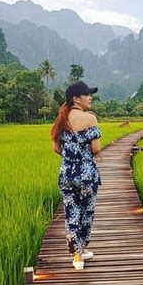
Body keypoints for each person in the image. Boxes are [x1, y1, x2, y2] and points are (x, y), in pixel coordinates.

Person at [50, 81, 102, 270]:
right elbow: (96, 149)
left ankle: (77, 255)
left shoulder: (61, 119)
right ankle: (82, 248)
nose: (90, 97)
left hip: (66, 174)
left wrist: (71, 158)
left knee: (71, 213)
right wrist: (84, 156)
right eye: (87, 95)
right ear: (76, 99)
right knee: (86, 212)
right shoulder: (90, 118)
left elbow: (56, 148)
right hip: (86, 174)